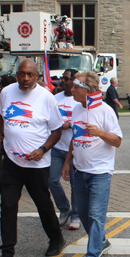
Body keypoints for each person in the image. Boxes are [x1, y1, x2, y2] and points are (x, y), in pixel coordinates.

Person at [0, 59, 65, 257]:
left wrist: (43, 150)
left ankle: (56, 238)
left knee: (43, 204)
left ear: (37, 76)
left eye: (30, 75)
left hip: (36, 164)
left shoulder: (46, 98)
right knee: (7, 206)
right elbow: (2, 116)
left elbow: (57, 130)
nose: (25, 79)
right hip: (12, 163)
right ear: (17, 74)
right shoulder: (6, 92)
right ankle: (7, 253)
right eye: (22, 74)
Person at [62, 70, 122, 257]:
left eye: (76, 87)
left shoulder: (106, 111)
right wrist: (67, 162)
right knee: (85, 215)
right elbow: (75, 137)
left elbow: (118, 141)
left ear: (88, 90)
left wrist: (100, 132)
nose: (72, 89)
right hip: (79, 170)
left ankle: (92, 256)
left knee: (96, 215)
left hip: (100, 172)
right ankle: (102, 241)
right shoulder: (77, 109)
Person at [49, 69, 80, 230]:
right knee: (52, 180)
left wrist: (69, 124)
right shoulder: (55, 99)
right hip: (56, 146)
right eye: (63, 78)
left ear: (74, 81)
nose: (64, 81)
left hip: (74, 148)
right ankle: (64, 209)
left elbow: (83, 122)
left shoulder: (79, 101)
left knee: (75, 184)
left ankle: (76, 215)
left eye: (67, 79)